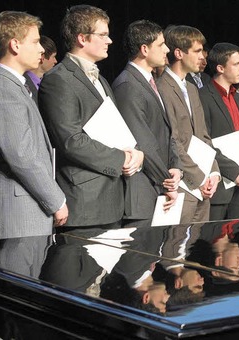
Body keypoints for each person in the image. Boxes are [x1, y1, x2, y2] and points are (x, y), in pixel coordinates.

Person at [39, 5, 143, 229]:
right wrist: (120, 158)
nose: (110, 41)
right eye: (103, 35)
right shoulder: (58, 79)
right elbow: (70, 140)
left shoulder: (101, 79)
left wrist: (134, 154)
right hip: (86, 201)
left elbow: (113, 129)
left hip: (112, 198)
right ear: (82, 39)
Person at [0, 11, 67, 238]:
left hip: (28, 211)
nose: (41, 49)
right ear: (15, 45)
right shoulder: (2, 90)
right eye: (36, 42)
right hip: (17, 215)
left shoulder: (15, 86)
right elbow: (22, 155)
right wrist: (56, 200)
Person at [111, 20, 182, 227]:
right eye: (161, 45)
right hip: (141, 191)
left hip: (157, 187)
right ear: (144, 49)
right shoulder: (128, 84)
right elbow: (142, 140)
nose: (166, 49)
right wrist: (167, 181)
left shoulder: (149, 82)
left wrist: (176, 167)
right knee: (141, 256)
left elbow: (167, 132)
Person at [157, 25, 221, 223]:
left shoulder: (192, 88)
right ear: (178, 53)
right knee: (173, 249)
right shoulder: (161, 87)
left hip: (202, 186)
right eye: (197, 51)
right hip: (180, 185)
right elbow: (172, 140)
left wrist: (214, 172)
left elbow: (203, 135)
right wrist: (200, 177)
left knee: (193, 249)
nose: (203, 57)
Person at [199, 42, 239, 220]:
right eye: (236, 64)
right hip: (219, 187)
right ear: (220, 68)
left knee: (236, 243)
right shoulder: (202, 97)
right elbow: (203, 142)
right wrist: (233, 171)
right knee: (215, 243)